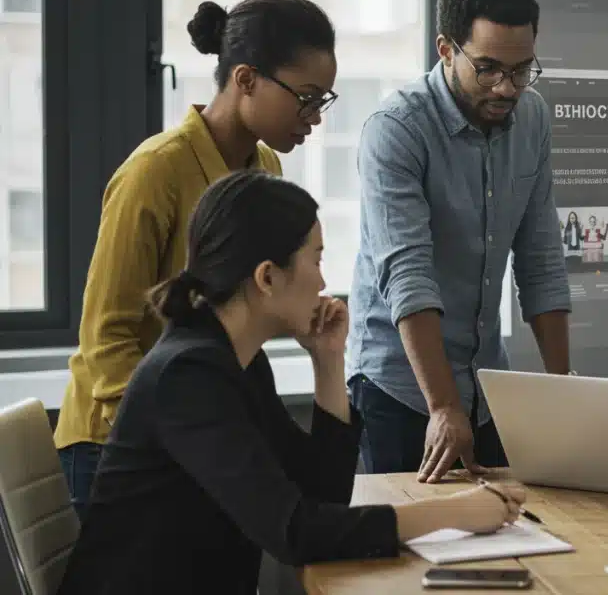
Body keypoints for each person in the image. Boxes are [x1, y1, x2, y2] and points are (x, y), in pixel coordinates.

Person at [56, 171, 527, 595]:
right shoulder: (189, 376)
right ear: (267, 277)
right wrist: (452, 514)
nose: (324, 280)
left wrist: (328, 363)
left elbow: (320, 496)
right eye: (316, 259)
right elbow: (295, 534)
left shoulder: (236, 361)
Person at [53, 0, 339, 517]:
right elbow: (105, 338)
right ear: (246, 79)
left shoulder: (266, 168)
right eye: (305, 98)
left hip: (198, 432)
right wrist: (175, 433)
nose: (314, 117)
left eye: (323, 101)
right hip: (118, 443)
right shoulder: (155, 172)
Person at [348, 0, 571, 483]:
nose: (506, 87)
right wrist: (443, 407)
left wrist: (564, 394)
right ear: (446, 49)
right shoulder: (397, 130)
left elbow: (539, 257)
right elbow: (408, 275)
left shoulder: (533, 118)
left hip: (485, 381)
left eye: (521, 70)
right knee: (408, 547)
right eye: (489, 68)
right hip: (400, 384)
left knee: (503, 527)